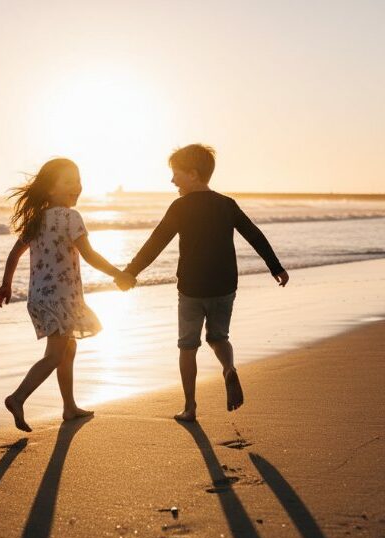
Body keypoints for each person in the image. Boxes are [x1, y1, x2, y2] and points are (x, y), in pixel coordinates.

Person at [119, 144, 288, 422]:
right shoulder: (226, 204)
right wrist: (276, 267)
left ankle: (190, 407)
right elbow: (254, 235)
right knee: (219, 337)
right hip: (224, 286)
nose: (172, 181)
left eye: (176, 174)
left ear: (194, 174)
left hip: (192, 289)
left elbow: (156, 242)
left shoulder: (180, 207)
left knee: (188, 346)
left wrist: (130, 272)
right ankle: (228, 368)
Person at [0, 158, 136, 432]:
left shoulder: (37, 219)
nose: (77, 186)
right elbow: (90, 255)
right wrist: (118, 274)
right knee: (55, 355)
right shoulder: (71, 218)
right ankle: (18, 397)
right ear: (49, 189)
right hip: (61, 298)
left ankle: (69, 408)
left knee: (68, 349)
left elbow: (14, 254)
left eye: (78, 180)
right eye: (69, 181)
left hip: (38, 298)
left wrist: (6, 285)